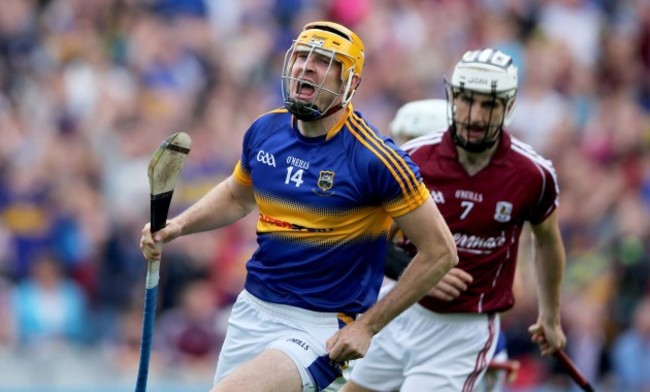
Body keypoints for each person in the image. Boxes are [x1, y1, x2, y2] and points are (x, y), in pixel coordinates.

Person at [139, 21, 458, 392]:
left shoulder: (377, 159)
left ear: (349, 82)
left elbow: (441, 252)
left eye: (323, 61)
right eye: (301, 56)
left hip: (319, 327)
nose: (306, 67)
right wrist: (178, 226)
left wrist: (368, 325)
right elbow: (237, 196)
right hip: (252, 310)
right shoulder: (265, 131)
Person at [342, 47, 567, 392]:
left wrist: (549, 317)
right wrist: (419, 272)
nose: (475, 116)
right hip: (399, 309)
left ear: (509, 107)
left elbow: (548, 240)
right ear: (452, 98)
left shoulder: (533, 174)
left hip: (462, 332)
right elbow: (362, 236)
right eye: (466, 101)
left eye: (489, 105)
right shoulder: (414, 157)